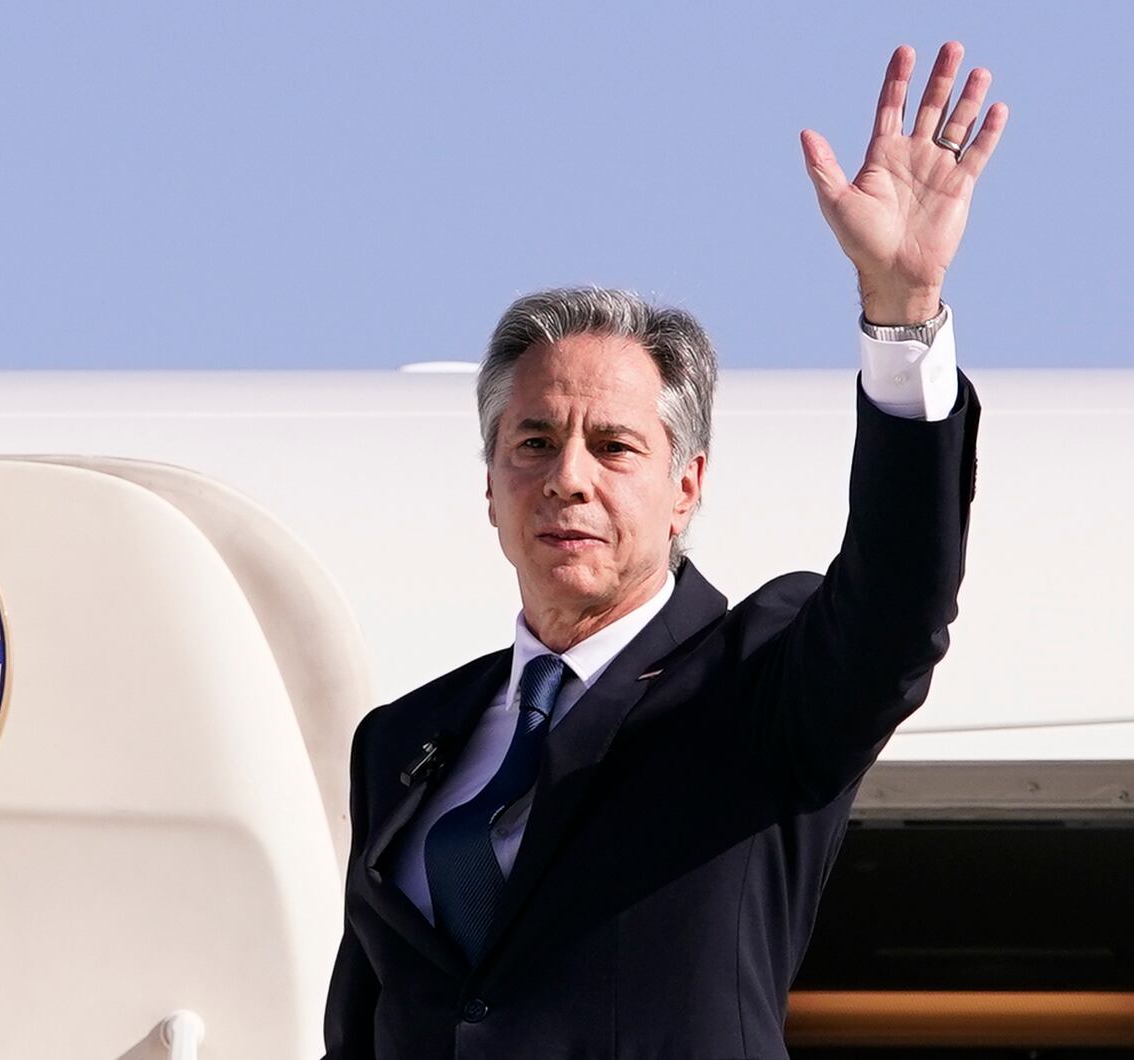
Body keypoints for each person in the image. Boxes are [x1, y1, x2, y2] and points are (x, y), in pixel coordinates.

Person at [322, 40, 1005, 1059]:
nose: (569, 477)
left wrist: (900, 315)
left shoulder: (756, 681)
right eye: (534, 444)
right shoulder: (403, 740)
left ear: (686, 486)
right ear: (490, 484)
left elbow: (898, 601)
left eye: (614, 446)